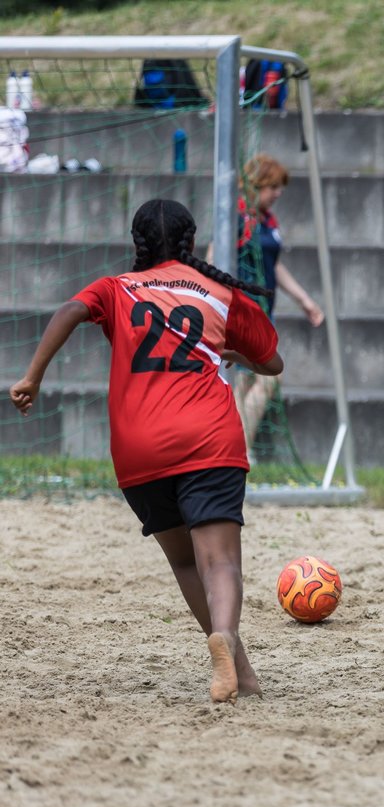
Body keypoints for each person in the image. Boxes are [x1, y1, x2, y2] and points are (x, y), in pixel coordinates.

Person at [11, 199, 283, 704]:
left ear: (136, 244)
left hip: (139, 451)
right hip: (209, 438)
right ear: (190, 241)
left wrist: (33, 377)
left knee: (184, 562)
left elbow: (70, 310)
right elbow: (273, 362)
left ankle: (236, 664)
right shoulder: (221, 292)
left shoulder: (115, 289)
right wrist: (235, 354)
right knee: (219, 561)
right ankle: (226, 636)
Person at [223, 153, 323, 455]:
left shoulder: (266, 220)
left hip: (264, 311)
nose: (278, 194)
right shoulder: (236, 217)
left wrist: (304, 299)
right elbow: (216, 256)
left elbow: (274, 264)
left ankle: (238, 447)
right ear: (258, 184)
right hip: (242, 309)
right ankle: (240, 449)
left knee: (252, 379)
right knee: (260, 378)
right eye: (274, 187)